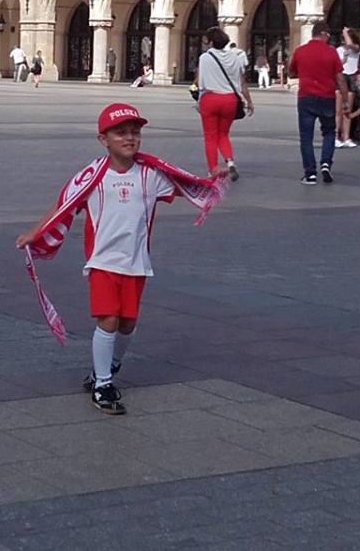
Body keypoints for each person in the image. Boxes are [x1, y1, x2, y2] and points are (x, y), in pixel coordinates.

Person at [15, 103, 225, 415]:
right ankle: (102, 385)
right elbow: (64, 204)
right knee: (108, 320)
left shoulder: (150, 175)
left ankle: (109, 366)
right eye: (121, 133)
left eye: (135, 132)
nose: (129, 138)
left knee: (128, 324)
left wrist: (211, 180)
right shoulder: (92, 175)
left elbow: (183, 186)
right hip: (102, 262)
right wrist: (35, 233)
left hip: (136, 261)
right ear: (104, 139)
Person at [288, 21, 349, 185]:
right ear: (325, 34)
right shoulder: (331, 53)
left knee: (306, 137)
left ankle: (310, 174)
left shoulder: (300, 51)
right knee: (329, 132)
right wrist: (345, 100)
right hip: (327, 97)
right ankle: (325, 163)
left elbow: (291, 71)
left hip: (306, 97)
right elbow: (340, 79)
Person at [198, 27, 254, 182]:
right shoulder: (235, 57)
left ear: (210, 41)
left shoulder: (205, 57)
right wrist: (249, 101)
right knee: (223, 134)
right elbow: (242, 82)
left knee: (210, 137)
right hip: (230, 100)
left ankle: (213, 169)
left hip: (210, 98)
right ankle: (230, 162)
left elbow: (201, 83)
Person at [335, 27, 360, 149]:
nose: (344, 41)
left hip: (351, 77)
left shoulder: (356, 49)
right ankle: (336, 136)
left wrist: (346, 32)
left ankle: (346, 137)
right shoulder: (338, 50)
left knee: (348, 111)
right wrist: (344, 59)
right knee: (338, 111)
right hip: (341, 77)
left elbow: (351, 44)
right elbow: (336, 65)